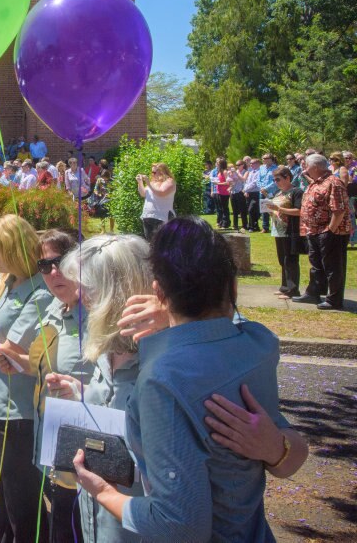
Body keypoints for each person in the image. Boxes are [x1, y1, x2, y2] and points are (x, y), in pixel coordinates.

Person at [73, 217, 307, 541]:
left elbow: (179, 525)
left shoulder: (162, 379)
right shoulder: (259, 342)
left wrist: (102, 493)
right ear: (234, 287)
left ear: (158, 292)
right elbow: (290, 455)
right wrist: (277, 449)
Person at [43, 234, 152, 543]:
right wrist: (82, 394)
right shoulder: (107, 352)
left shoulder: (156, 364)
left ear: (116, 291)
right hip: (98, 526)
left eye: (88, 288)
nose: (82, 297)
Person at [0, 215, 53, 543]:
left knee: (23, 504)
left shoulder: (40, 291)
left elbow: (6, 351)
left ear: (12, 248)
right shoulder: (6, 281)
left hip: (20, 414)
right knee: (0, 497)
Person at [294, 153, 351, 310]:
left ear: (316, 167)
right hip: (314, 231)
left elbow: (339, 210)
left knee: (333, 267)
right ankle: (314, 292)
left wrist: (330, 231)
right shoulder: (317, 182)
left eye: (306, 165)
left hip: (330, 232)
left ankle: (334, 300)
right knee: (316, 265)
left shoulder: (334, 183)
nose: (304, 168)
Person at [264, 166, 305, 299]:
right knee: (282, 260)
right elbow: (277, 211)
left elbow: (299, 211)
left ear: (287, 177)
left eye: (278, 179)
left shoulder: (296, 191)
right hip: (278, 230)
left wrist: (279, 209)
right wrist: (272, 211)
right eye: (274, 180)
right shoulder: (278, 193)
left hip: (290, 230)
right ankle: (285, 287)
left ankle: (293, 290)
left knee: (290, 260)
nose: (276, 182)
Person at [137, 162, 176, 240]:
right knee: (150, 243)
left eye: (154, 172)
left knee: (162, 242)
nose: (152, 174)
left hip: (162, 217)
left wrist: (148, 183)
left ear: (162, 172)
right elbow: (143, 194)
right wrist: (140, 182)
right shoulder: (153, 182)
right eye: (152, 172)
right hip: (148, 216)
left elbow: (161, 193)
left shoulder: (169, 181)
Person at [211, 158, 232, 230]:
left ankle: (226, 223)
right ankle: (221, 222)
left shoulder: (225, 172)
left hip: (224, 192)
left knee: (224, 208)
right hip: (219, 192)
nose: (217, 164)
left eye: (218, 163)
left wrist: (218, 183)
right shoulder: (219, 172)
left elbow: (228, 182)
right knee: (220, 208)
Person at [242, 158, 262, 232]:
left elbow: (254, 183)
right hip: (249, 192)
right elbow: (247, 182)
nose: (251, 165)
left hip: (256, 192)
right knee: (251, 210)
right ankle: (254, 225)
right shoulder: (250, 172)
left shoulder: (259, 172)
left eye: (253, 163)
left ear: (257, 164)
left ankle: (251, 226)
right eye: (250, 163)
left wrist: (246, 189)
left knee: (252, 209)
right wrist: (246, 190)